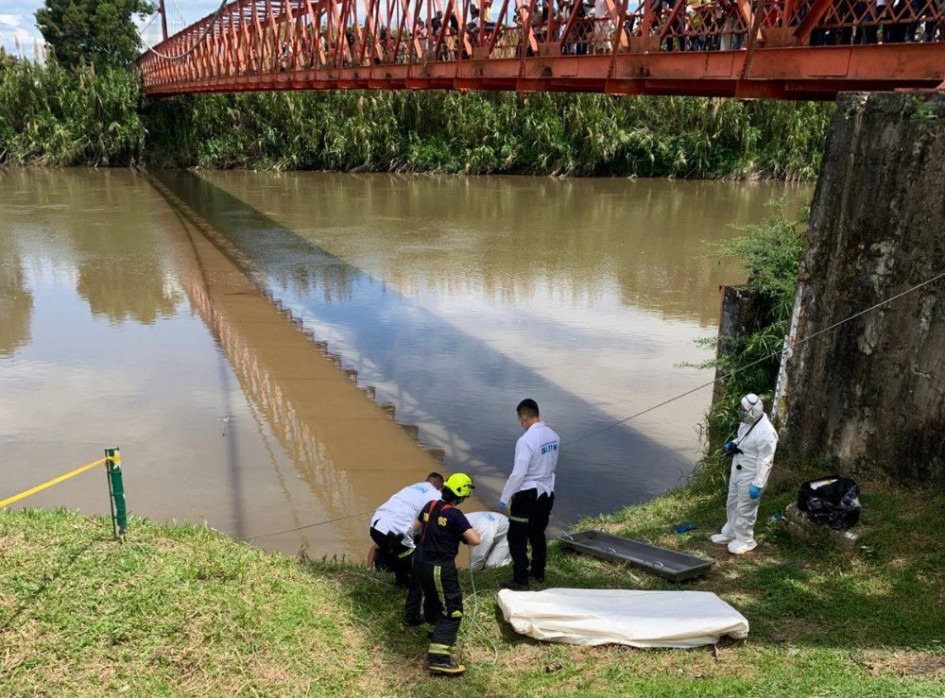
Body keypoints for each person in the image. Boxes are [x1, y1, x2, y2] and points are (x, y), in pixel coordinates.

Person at [411, 473, 480, 676]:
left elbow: (416, 527)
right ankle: (439, 659)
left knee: (432, 597)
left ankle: (435, 632)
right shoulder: (455, 515)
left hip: (419, 561)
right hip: (440, 567)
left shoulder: (430, 505)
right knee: (452, 610)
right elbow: (475, 540)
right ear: (461, 496)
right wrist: (456, 531)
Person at [497, 398, 559, 590]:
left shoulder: (526, 440)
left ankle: (521, 579)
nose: (520, 423)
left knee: (516, 538)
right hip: (547, 493)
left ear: (524, 417)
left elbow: (518, 474)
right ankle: (538, 571)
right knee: (537, 533)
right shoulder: (554, 436)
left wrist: (504, 498)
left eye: (519, 419)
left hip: (527, 497)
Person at [711, 393, 779, 555]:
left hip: (751, 476)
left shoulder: (767, 433)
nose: (741, 412)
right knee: (732, 502)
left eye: (744, 409)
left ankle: (745, 540)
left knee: (745, 508)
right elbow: (743, 439)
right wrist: (733, 444)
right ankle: (730, 533)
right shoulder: (747, 422)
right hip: (738, 470)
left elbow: (765, 461)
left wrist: (758, 484)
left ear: (753, 411)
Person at [368, 473, 444, 588]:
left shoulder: (411, 487)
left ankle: (397, 581)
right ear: (440, 487)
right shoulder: (437, 495)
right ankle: (408, 586)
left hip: (375, 526)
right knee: (416, 559)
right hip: (394, 531)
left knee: (396, 554)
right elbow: (427, 520)